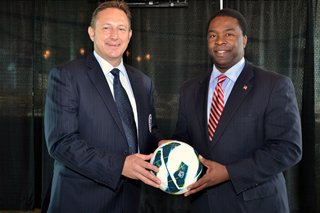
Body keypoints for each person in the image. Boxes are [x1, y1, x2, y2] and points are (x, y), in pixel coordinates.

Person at [169, 8, 302, 213]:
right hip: (204, 204)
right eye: (213, 35)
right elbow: (185, 140)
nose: (219, 41)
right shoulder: (190, 89)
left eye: (229, 34)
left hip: (256, 205)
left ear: (245, 40)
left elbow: (287, 149)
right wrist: (171, 150)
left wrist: (229, 172)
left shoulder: (274, 85)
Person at [44, 1, 162, 212]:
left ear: (130, 35)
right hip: (81, 202)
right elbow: (61, 143)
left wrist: (163, 145)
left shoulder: (144, 83)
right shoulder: (67, 76)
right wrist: (121, 166)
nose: (114, 35)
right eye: (106, 27)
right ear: (91, 33)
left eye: (121, 28)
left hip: (132, 201)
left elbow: (148, 134)